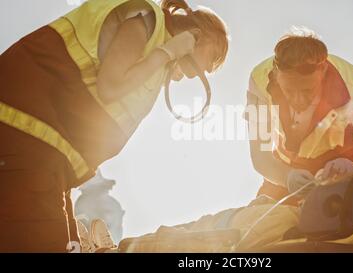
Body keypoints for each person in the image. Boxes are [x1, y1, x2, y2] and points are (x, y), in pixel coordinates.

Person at [0, 0, 228, 252]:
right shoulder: (146, 20)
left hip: (46, 155)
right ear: (197, 36)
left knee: (67, 245)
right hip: (24, 133)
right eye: (213, 58)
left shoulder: (153, 64)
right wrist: (167, 52)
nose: (202, 72)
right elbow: (110, 87)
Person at [245, 27, 353, 206]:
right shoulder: (259, 80)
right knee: (258, 224)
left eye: (307, 90)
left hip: (344, 175)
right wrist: (286, 176)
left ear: (324, 71)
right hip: (284, 172)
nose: (298, 99)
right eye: (289, 90)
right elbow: (260, 156)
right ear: (275, 74)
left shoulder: (352, 87)